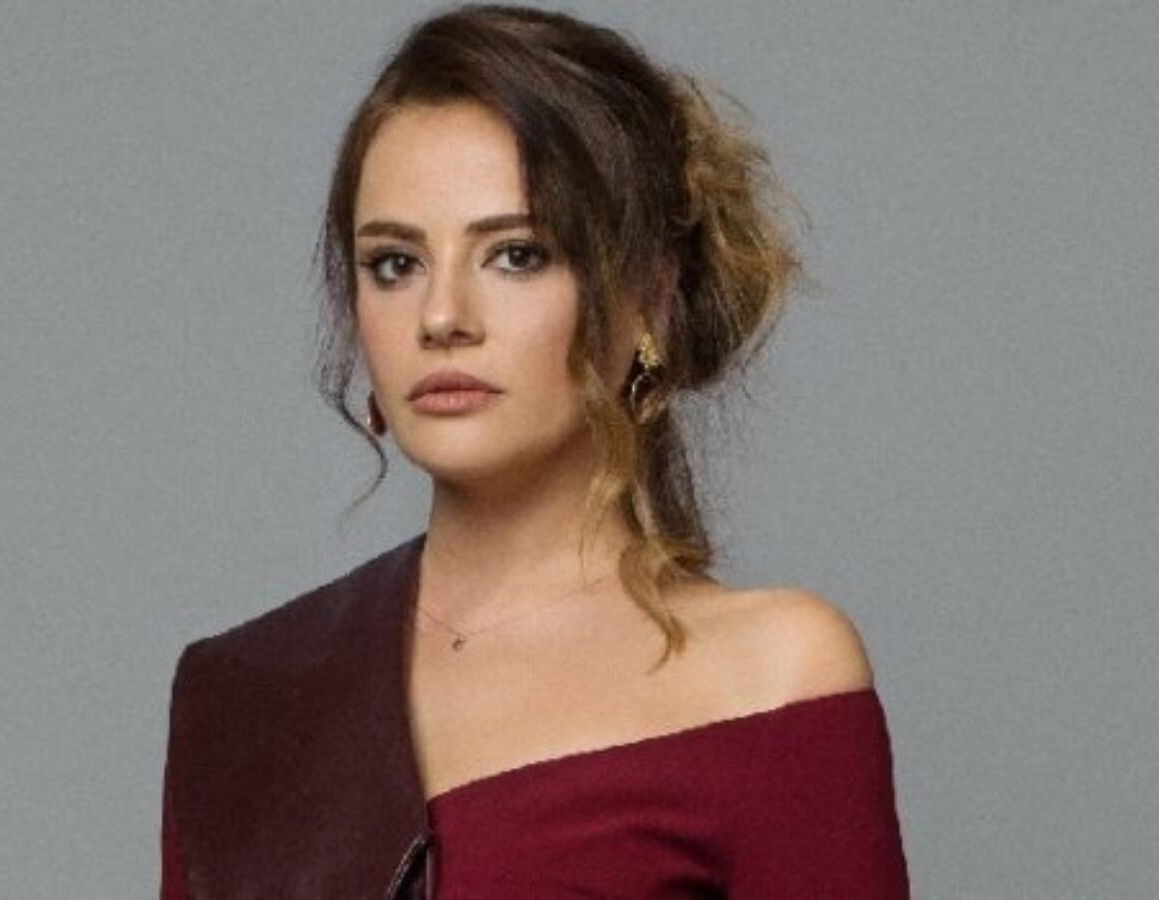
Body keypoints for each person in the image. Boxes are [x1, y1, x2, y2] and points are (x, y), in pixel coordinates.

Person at [159, 4, 910, 897]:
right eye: (395, 264)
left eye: (516, 255)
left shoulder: (770, 680)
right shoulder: (246, 694)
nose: (442, 316)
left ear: (648, 297)